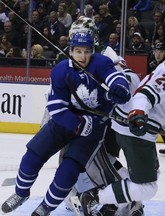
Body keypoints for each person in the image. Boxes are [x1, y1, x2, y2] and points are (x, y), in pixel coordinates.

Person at [1, 32, 131, 216]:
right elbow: (56, 107)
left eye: (87, 51)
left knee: (68, 172)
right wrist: (78, 124)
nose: (82, 56)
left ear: (92, 51)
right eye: (78, 51)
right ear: (71, 51)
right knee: (31, 157)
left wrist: (120, 87)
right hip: (65, 121)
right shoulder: (61, 70)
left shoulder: (101, 63)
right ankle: (20, 194)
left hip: (94, 128)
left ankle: (46, 207)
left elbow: (114, 77)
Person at [79, 40, 165, 214]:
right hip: (136, 131)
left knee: (148, 178)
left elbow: (164, 121)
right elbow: (145, 95)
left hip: (136, 129)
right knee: (148, 188)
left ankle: (114, 201)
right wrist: (138, 113)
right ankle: (94, 197)